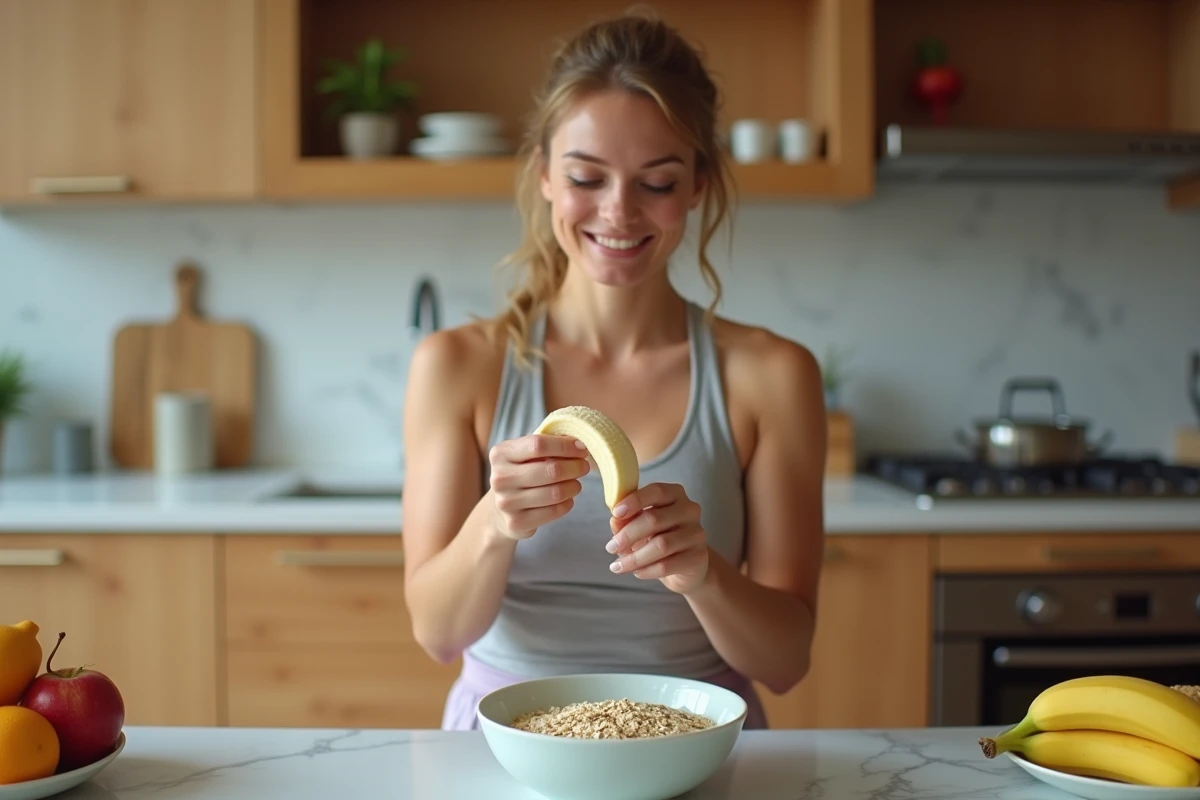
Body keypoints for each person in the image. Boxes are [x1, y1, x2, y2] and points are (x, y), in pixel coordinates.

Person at [401, 9, 827, 732]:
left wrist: (704, 576)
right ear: (543, 175)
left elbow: (786, 663)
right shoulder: (457, 366)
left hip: (694, 739)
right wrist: (493, 525)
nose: (619, 212)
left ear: (698, 185)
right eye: (586, 177)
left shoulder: (773, 375)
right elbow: (437, 634)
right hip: (505, 745)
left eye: (656, 182)